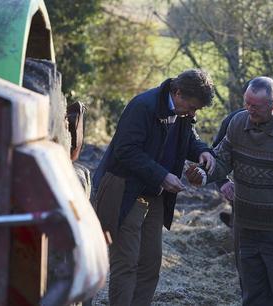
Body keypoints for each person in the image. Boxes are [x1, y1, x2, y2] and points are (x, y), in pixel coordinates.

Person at [187, 76, 273, 305]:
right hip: (246, 228)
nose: (249, 109)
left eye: (255, 106)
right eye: (246, 103)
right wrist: (203, 174)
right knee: (252, 295)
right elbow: (222, 160)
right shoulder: (238, 123)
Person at [93, 69, 216, 306]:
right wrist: (162, 176)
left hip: (154, 195)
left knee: (150, 264)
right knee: (126, 262)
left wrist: (202, 150)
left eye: (196, 110)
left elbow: (189, 138)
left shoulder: (182, 113)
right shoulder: (143, 107)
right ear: (178, 93)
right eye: (191, 107)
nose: (193, 114)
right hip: (125, 192)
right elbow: (126, 150)